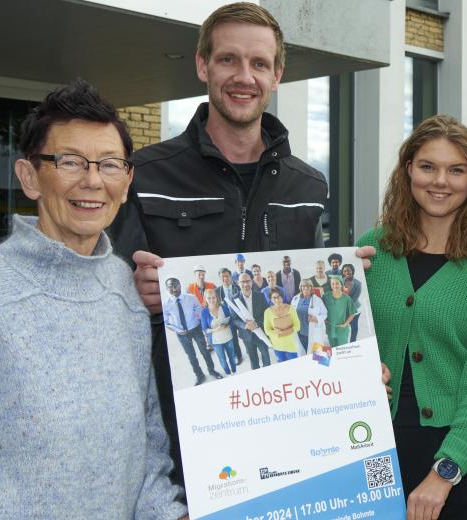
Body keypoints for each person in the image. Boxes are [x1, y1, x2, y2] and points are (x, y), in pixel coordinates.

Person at [0, 80, 186, 518]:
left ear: (127, 179)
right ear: (29, 176)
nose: (93, 181)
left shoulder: (124, 290)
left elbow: (148, 450)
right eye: (69, 162)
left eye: (110, 164)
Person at [105, 2, 330, 484]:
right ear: (202, 65)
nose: (243, 76)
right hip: (174, 441)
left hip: (281, 429)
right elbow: (104, 294)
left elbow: (307, 302)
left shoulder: (308, 187)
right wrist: (130, 289)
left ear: (277, 75)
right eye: (228, 59)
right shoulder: (144, 174)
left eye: (259, 63)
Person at [358, 114, 467, 519]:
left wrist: (444, 472)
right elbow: (345, 338)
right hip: (377, 448)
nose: (440, 181)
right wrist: (359, 370)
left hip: (466, 459)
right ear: (408, 168)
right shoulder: (372, 250)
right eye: (428, 166)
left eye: (456, 170)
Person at [164, 278, 222, 383]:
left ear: (180, 285)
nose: (174, 289)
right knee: (191, 356)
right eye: (170, 287)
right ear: (167, 289)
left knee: (205, 351)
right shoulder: (166, 304)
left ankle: (212, 371)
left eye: (176, 285)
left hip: (196, 329)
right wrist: (177, 330)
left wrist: (205, 326)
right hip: (181, 334)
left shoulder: (191, 298)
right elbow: (166, 322)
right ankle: (199, 375)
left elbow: (199, 312)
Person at [230, 271, 272, 370]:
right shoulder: (234, 299)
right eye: (243, 282)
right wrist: (245, 325)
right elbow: (234, 319)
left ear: (252, 282)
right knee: (253, 360)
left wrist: (256, 323)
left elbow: (266, 313)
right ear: (238, 283)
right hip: (246, 335)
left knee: (266, 357)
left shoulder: (260, 296)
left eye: (248, 281)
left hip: (260, 332)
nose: (246, 284)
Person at [201, 287, 237, 375]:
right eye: (209, 298)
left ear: (216, 297)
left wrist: (227, 325)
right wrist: (216, 329)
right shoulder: (204, 312)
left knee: (232, 357)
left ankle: (234, 371)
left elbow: (231, 320)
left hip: (228, 337)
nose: (212, 300)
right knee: (222, 360)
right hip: (216, 341)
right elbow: (205, 330)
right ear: (205, 299)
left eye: (213, 297)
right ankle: (228, 373)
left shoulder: (223, 307)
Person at [263, 289, 301, 362]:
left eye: (279, 297)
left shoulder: (291, 309)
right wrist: (276, 332)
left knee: (294, 366)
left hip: (291, 344)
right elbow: (267, 330)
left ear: (282, 297)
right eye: (274, 298)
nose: (277, 299)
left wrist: (288, 331)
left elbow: (298, 326)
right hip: (277, 345)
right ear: (271, 299)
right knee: (282, 366)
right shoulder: (267, 312)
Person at [292, 279, 327, 354]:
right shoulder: (295, 299)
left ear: (311, 287)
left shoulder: (317, 300)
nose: (305, 288)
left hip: (313, 332)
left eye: (308, 286)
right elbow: (291, 313)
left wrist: (316, 318)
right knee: (304, 353)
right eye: (303, 286)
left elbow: (325, 314)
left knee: (319, 356)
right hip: (299, 332)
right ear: (300, 287)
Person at [322, 276, 356, 347]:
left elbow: (352, 313)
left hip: (342, 329)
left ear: (341, 284)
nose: (335, 286)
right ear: (330, 285)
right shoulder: (326, 296)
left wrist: (345, 324)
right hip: (330, 327)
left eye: (337, 283)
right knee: (333, 348)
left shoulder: (346, 298)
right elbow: (321, 310)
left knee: (342, 349)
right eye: (333, 284)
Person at [341, 263, 363, 341]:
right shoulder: (340, 281)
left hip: (354, 308)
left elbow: (354, 299)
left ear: (352, 271)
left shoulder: (358, 283)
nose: (347, 272)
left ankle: (353, 342)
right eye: (345, 271)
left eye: (349, 270)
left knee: (353, 326)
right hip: (341, 308)